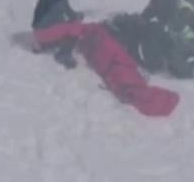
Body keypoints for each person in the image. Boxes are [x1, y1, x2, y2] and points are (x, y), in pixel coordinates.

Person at [33, 20, 179, 117]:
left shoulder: (95, 33)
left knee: (75, 30)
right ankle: (44, 40)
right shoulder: (132, 82)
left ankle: (43, 40)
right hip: (108, 59)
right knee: (75, 31)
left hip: (107, 54)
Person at [141, 0, 194, 79]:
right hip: (175, 39)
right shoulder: (161, 4)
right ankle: (156, 63)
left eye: (158, 6)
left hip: (193, 43)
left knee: (180, 71)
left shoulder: (184, 10)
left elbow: (178, 28)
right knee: (150, 31)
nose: (156, 9)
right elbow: (145, 17)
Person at [31, 0, 85, 68]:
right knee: (76, 27)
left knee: (70, 26)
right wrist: (76, 19)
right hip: (44, 32)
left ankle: (41, 44)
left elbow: (67, 13)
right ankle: (64, 54)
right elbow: (67, 16)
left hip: (38, 31)